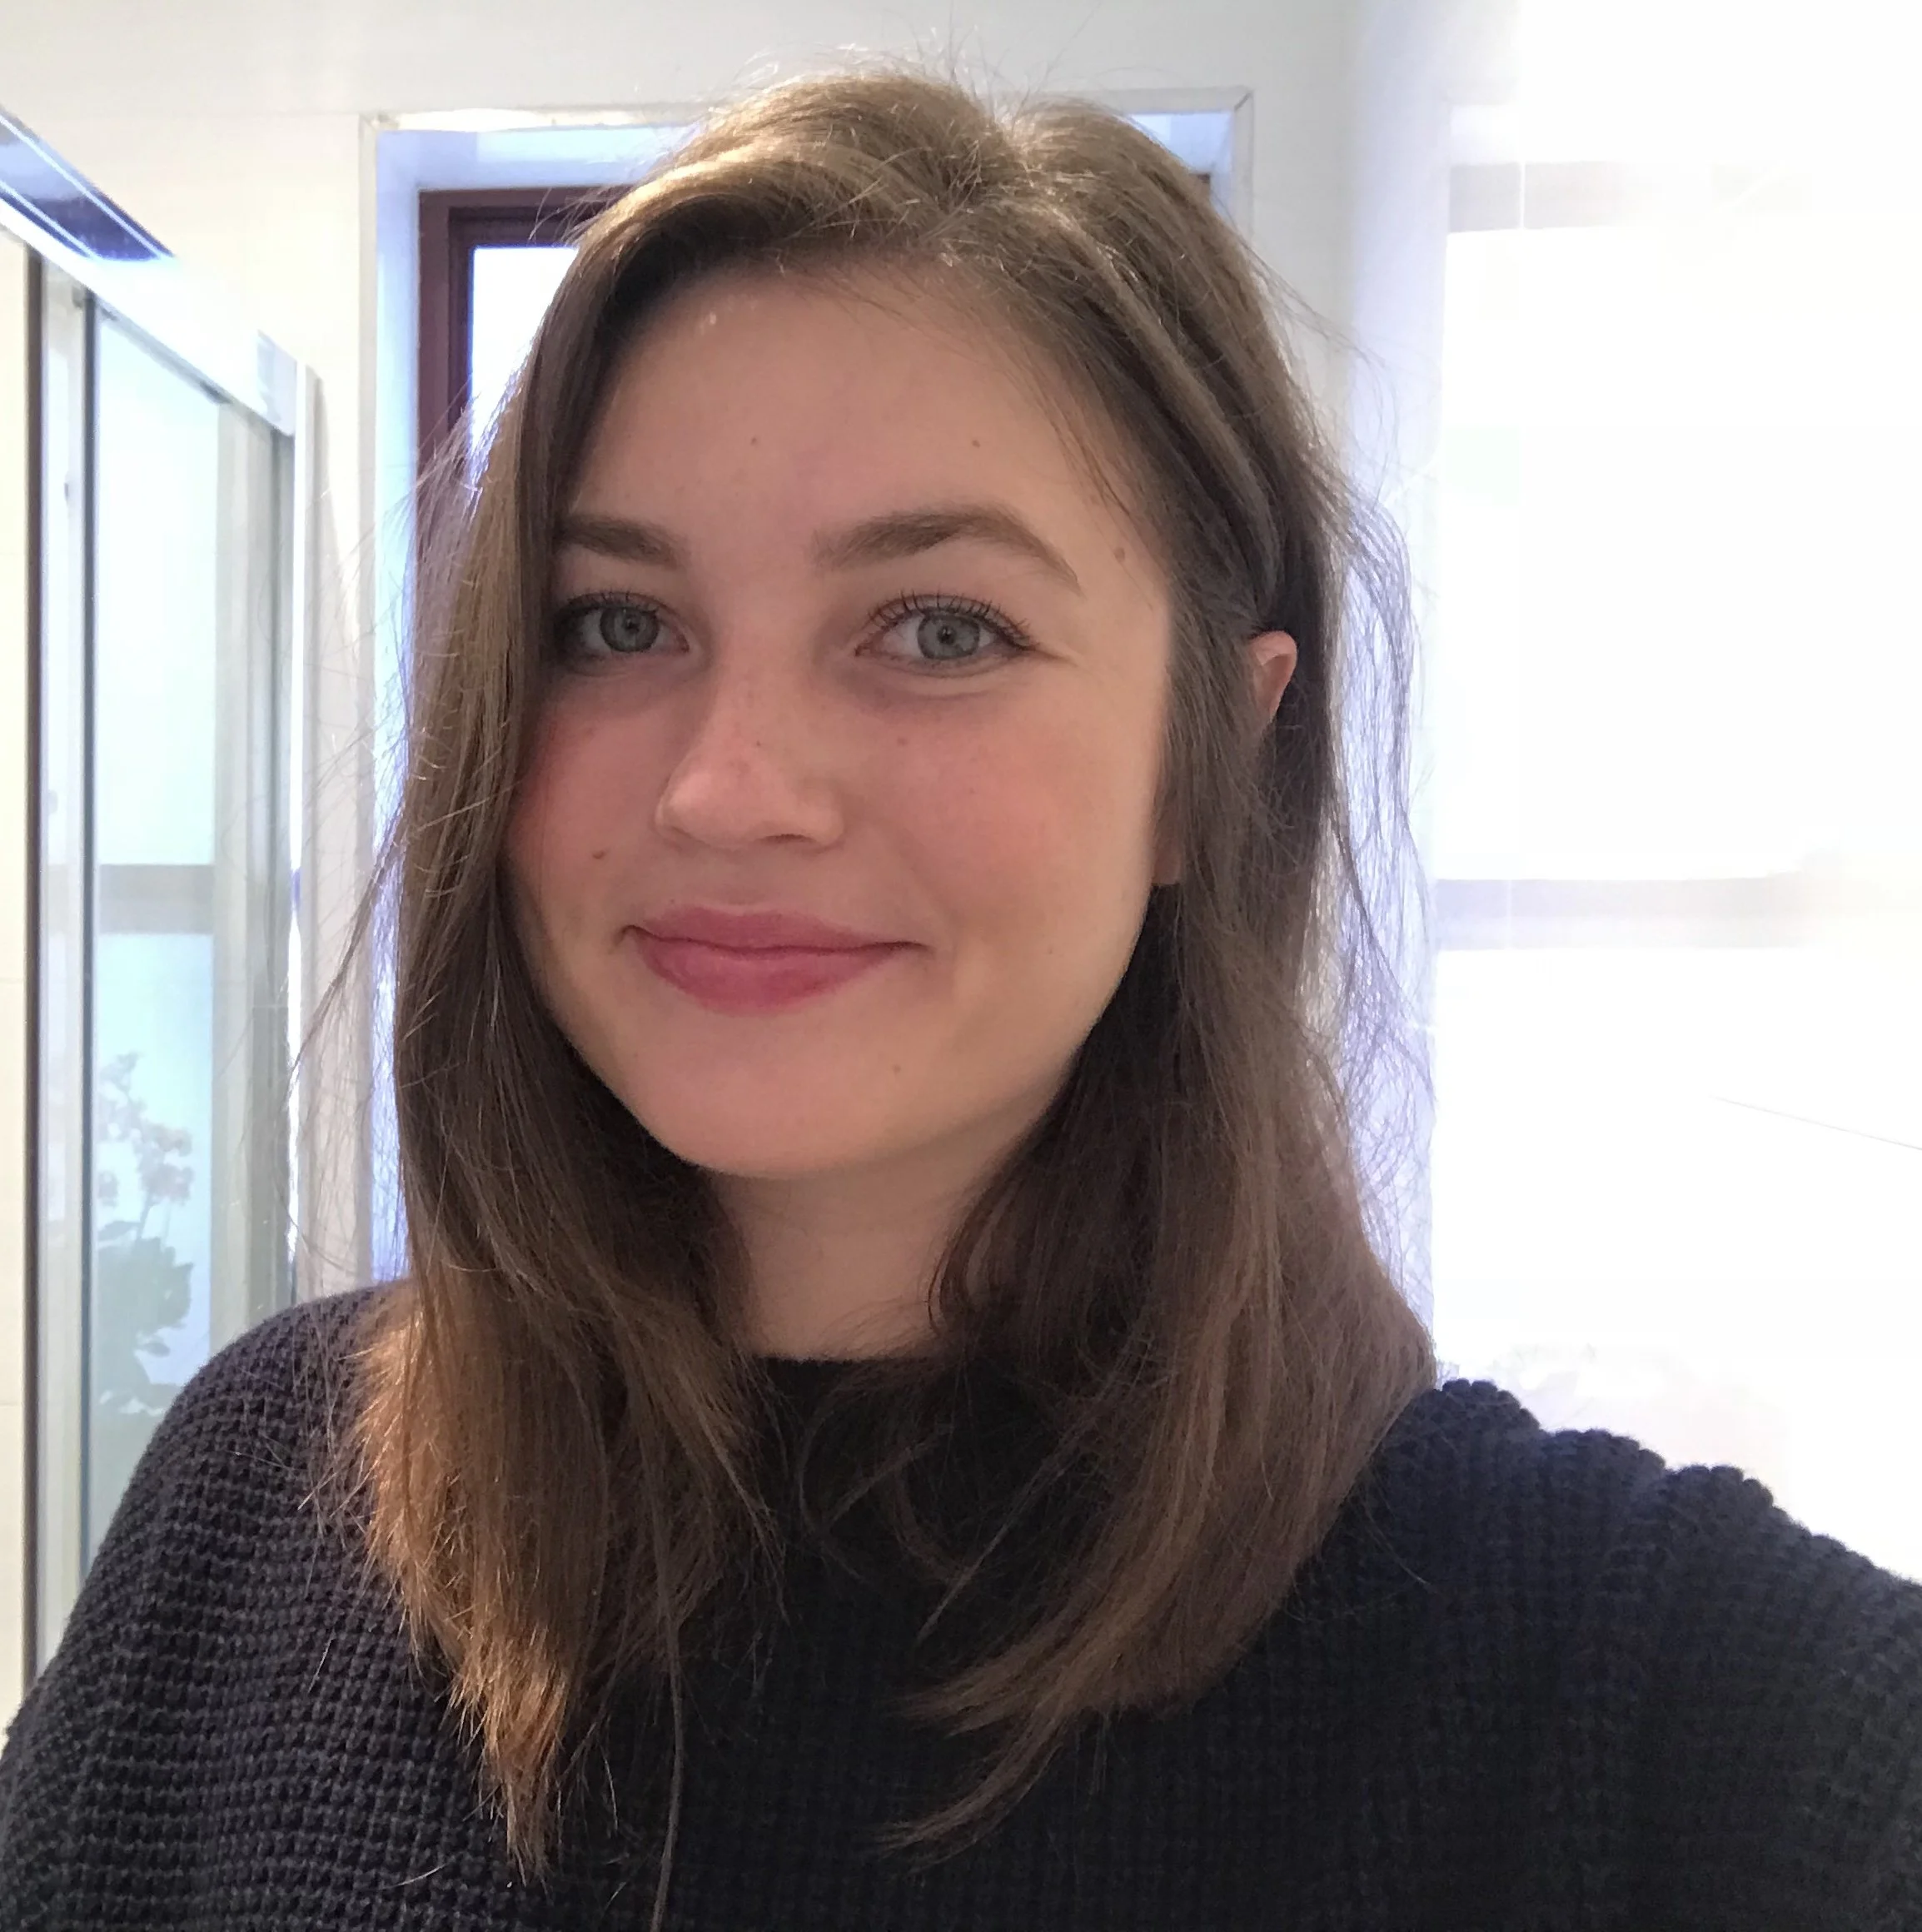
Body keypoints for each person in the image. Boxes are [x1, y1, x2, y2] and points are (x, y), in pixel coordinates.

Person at [2, 65, 1917, 1932]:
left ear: (1210, 760)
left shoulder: (1603, 1672)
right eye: (617, 623)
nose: (726, 785)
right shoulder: (260, 1498)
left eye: (938, 628)